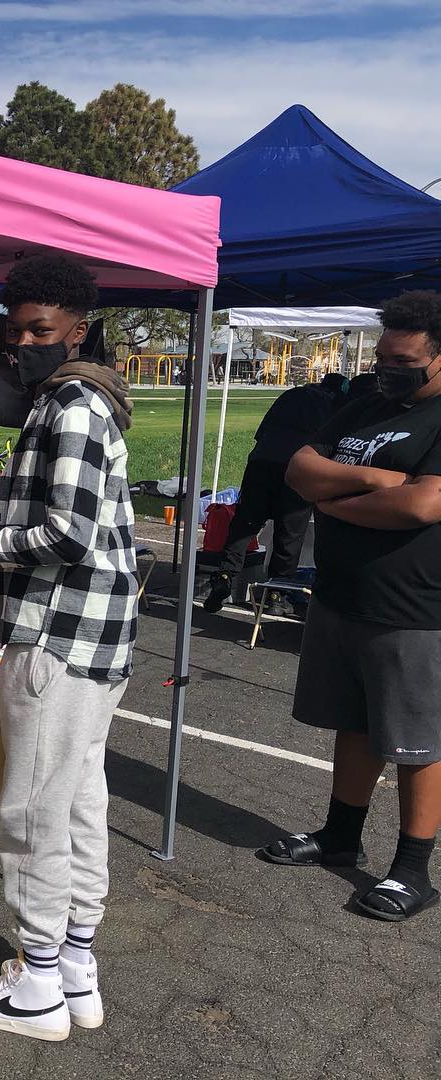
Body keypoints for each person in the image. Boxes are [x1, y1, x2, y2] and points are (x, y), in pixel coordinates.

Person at [0, 254, 136, 1042]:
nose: (23, 342)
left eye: (41, 329)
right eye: (15, 329)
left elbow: (66, 534)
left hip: (59, 633)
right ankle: (74, 967)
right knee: (78, 798)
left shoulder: (73, 406)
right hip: (91, 634)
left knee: (31, 810)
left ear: (77, 330)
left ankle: (37, 988)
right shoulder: (84, 398)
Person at [260, 291, 441, 923]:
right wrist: (372, 479)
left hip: (416, 611)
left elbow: (422, 506)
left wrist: (335, 502)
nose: (390, 369)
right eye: (386, 356)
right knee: (354, 724)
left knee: (419, 743)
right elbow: (301, 468)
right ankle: (341, 836)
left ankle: (413, 870)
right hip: (342, 598)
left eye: (406, 360)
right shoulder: (366, 405)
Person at [203, 372, 351, 616]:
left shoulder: (292, 394)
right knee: (290, 531)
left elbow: (261, 433)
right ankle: (276, 593)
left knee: (246, 522)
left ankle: (225, 575)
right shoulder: (334, 408)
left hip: (262, 460)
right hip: (297, 467)